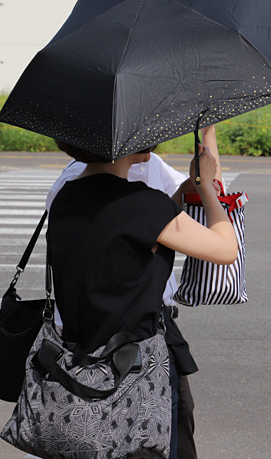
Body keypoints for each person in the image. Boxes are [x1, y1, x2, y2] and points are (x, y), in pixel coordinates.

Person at [46, 133, 237, 459]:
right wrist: (204, 185)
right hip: (138, 367)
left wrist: (177, 196)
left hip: (81, 360)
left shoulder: (66, 196)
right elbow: (224, 249)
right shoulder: (142, 204)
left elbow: (129, 233)